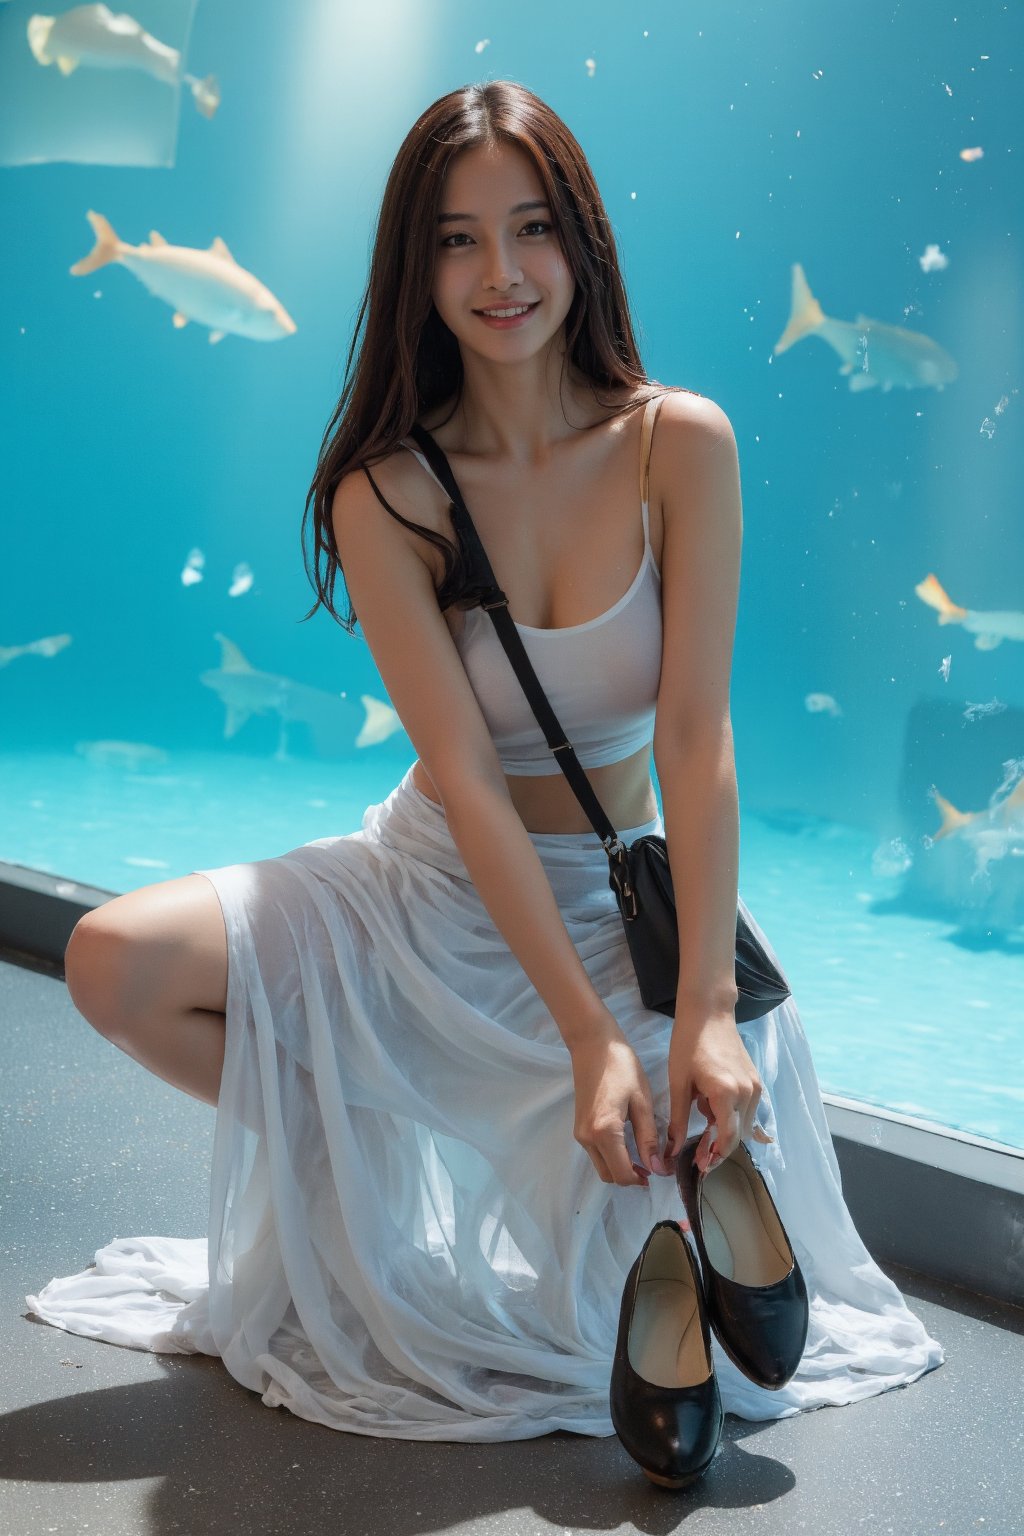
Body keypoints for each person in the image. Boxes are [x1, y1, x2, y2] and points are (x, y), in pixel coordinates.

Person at [29, 81, 942, 1442]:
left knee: (656, 1276)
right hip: (427, 889)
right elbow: (459, 769)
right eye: (458, 241)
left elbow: (695, 737)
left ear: (582, 240)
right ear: (417, 264)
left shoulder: (678, 445)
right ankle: (400, 1115)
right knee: (112, 959)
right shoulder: (386, 489)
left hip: (623, 914)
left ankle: (568, 1146)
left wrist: (695, 1009)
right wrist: (579, 1040)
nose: (502, 275)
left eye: (531, 230)